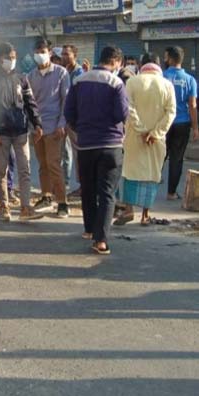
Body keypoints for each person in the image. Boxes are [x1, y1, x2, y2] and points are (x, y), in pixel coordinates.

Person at [65, 46, 129, 255]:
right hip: (111, 145)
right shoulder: (116, 82)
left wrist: (81, 128)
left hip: (86, 145)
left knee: (88, 189)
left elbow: (69, 113)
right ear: (116, 61)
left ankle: (89, 229)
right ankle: (101, 240)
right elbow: (121, 113)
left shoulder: (78, 81)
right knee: (107, 193)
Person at [0, 42, 44, 222]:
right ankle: (4, 207)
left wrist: (37, 124)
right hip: (0, 134)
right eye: (9, 58)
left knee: (25, 170)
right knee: (2, 171)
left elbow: (30, 102)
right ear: (0, 58)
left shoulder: (21, 78)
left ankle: (25, 207)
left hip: (20, 132)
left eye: (14, 58)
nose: (12, 61)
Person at [114, 55, 176, 226]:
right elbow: (170, 112)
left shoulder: (132, 82)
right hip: (156, 140)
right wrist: (155, 133)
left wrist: (141, 130)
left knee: (130, 171)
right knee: (152, 174)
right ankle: (145, 215)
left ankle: (128, 209)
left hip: (134, 136)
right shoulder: (167, 85)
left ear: (141, 65)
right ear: (158, 65)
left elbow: (128, 108)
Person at [28, 38, 71, 218]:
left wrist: (62, 124)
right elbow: (28, 103)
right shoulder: (31, 76)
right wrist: (32, 126)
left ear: (50, 52)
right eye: (37, 51)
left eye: (43, 51)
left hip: (54, 128)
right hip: (37, 128)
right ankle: (46, 196)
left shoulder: (61, 73)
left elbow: (65, 101)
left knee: (54, 165)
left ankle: (62, 202)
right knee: (42, 165)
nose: (40, 54)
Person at [163, 45, 199, 200]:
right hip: (182, 124)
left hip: (164, 123)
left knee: (159, 156)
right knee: (177, 159)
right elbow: (192, 105)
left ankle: (150, 187)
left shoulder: (162, 77)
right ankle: (171, 193)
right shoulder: (190, 80)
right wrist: (195, 127)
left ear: (170, 59)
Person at [61, 44, 84, 194]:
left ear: (74, 56)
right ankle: (64, 182)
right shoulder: (63, 71)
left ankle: (82, 185)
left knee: (76, 153)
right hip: (62, 117)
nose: (64, 57)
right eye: (62, 54)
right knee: (62, 151)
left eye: (67, 54)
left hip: (74, 119)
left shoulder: (79, 72)